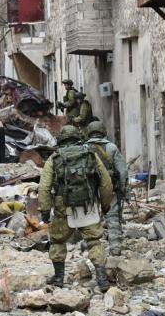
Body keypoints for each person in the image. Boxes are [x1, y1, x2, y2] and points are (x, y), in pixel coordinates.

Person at [39, 125, 113, 292]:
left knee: (57, 240)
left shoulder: (54, 158)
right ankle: (101, 278)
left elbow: (44, 187)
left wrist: (45, 210)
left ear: (61, 139)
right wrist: (105, 204)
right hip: (88, 204)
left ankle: (58, 278)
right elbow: (106, 182)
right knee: (94, 241)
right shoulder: (90, 154)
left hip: (63, 206)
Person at [86, 120, 128, 256]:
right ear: (103, 132)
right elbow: (122, 171)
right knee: (113, 215)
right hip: (109, 187)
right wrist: (122, 188)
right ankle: (115, 247)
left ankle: (93, 249)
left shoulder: (83, 148)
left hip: (90, 188)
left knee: (91, 216)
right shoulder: (112, 147)